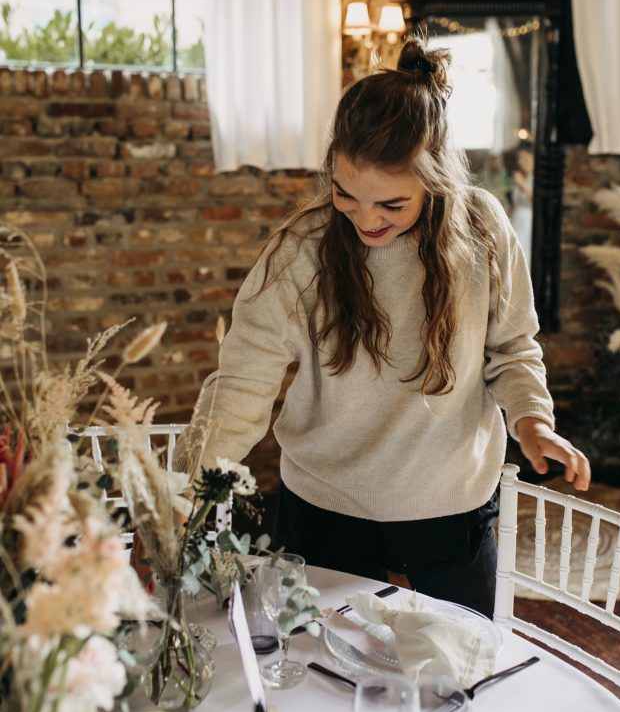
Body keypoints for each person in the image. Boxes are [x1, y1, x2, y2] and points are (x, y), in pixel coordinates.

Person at [174, 39, 590, 618]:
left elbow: (512, 346)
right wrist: (193, 481)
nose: (366, 219)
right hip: (324, 504)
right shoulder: (302, 249)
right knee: (319, 676)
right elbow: (243, 379)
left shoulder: (484, 229)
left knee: (456, 674)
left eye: (392, 205)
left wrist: (532, 421)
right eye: (345, 194)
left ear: (436, 180)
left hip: (451, 501)